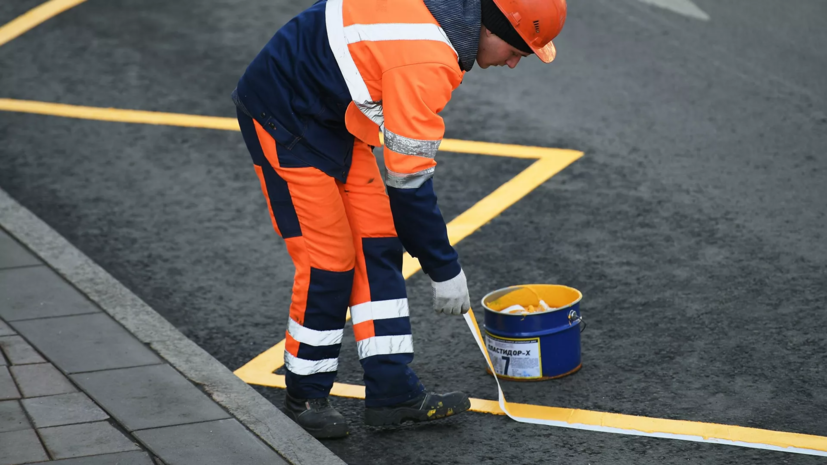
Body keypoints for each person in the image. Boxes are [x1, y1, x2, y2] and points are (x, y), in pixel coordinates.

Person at [233, 0, 567, 439]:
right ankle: (305, 396)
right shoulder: (429, 58)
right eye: (518, 49)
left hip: (333, 113)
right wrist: (443, 267)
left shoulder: (448, 21)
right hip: (283, 114)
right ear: (493, 26)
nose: (513, 63)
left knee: (377, 244)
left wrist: (435, 258)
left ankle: (393, 394)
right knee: (328, 261)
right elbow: (408, 185)